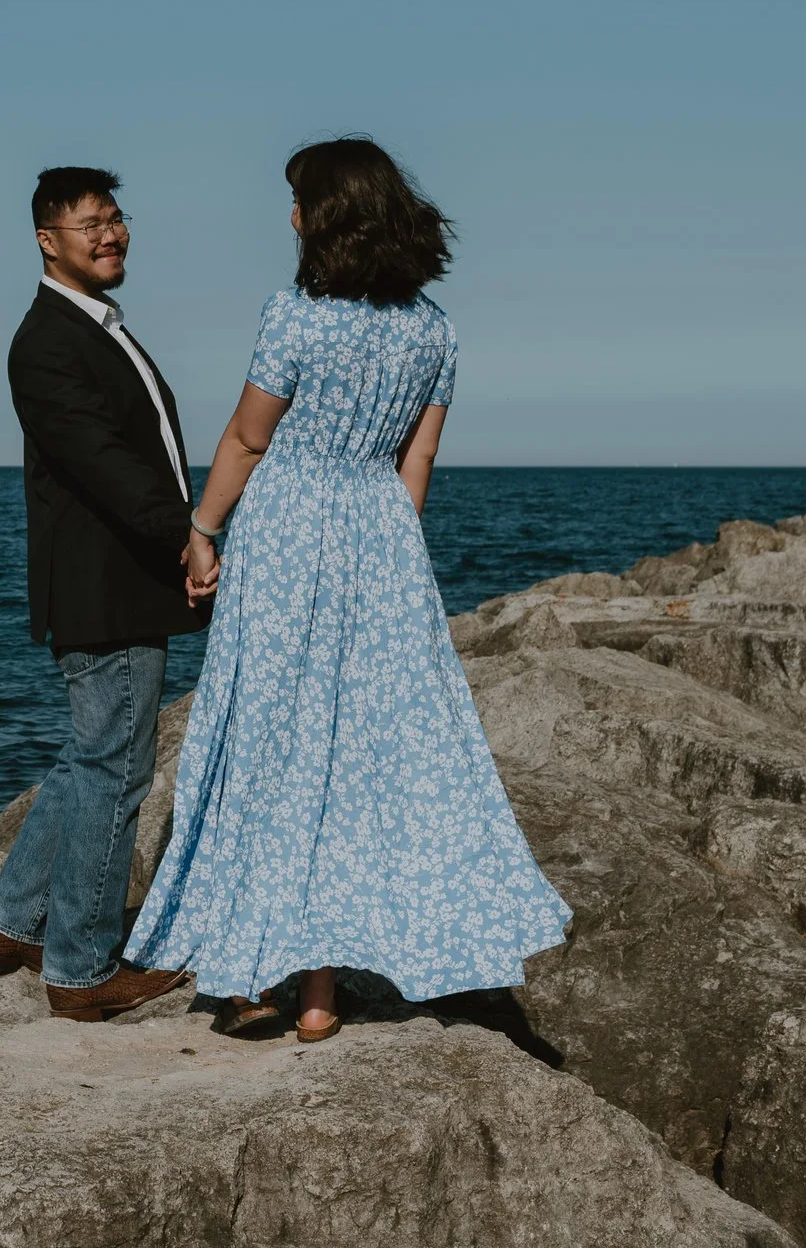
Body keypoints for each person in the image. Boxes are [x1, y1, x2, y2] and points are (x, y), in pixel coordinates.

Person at [123, 136, 570, 1042]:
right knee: (359, 760)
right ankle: (321, 996)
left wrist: (203, 531)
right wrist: (389, 556)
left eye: (297, 202)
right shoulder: (434, 330)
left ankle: (254, 971)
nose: (288, 216)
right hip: (381, 534)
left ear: (324, 218)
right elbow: (421, 458)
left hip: (291, 527)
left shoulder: (296, 314)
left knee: (271, 743)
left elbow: (249, 439)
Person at [0, 166, 210, 1021]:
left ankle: (11, 920)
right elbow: (106, 467)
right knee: (116, 767)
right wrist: (187, 533)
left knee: (90, 757)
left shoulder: (96, 328)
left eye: (116, 219)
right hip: (104, 582)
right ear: (48, 239)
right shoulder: (47, 340)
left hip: (119, 576)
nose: (110, 234)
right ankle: (80, 967)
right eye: (90, 224)